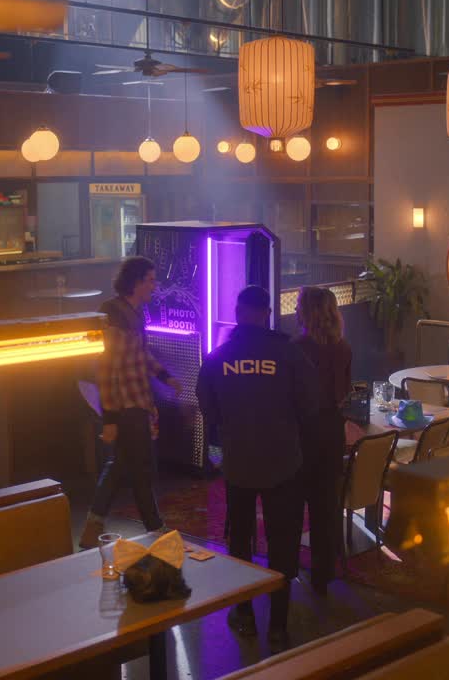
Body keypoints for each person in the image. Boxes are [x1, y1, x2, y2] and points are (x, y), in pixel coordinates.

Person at [196, 285, 319, 652]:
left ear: (237, 312)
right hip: (283, 462)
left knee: (240, 539)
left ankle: (244, 614)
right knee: (282, 542)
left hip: (239, 463)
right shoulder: (289, 353)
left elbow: (208, 409)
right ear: (267, 313)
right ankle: (278, 625)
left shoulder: (218, 357)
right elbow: (310, 405)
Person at [80, 256, 181, 549]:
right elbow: (105, 369)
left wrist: (164, 376)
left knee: (126, 464)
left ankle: (96, 526)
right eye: (150, 280)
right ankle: (152, 526)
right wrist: (110, 418)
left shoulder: (135, 313)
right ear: (135, 283)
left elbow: (140, 356)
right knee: (137, 465)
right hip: (124, 403)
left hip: (134, 399)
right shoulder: (111, 315)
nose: (154, 285)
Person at [291, 287, 352, 595]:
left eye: (298, 306)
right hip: (331, 434)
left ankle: (286, 569)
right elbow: (344, 395)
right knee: (325, 508)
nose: (295, 311)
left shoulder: (296, 348)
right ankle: (323, 574)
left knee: (292, 506)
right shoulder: (343, 348)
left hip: (302, 435)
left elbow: (291, 396)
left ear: (307, 312)